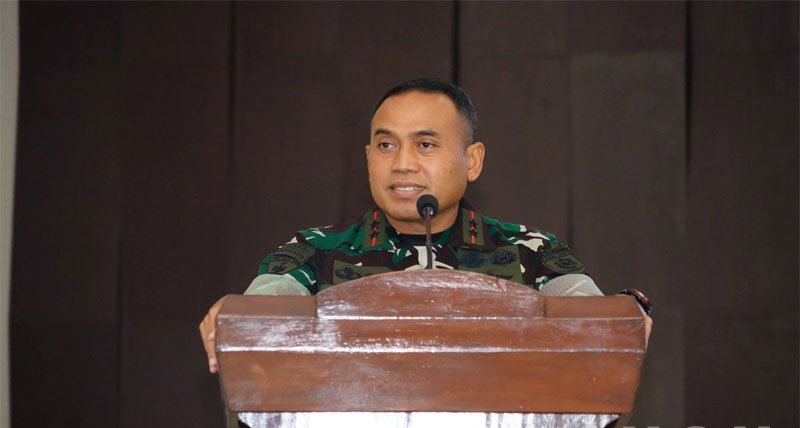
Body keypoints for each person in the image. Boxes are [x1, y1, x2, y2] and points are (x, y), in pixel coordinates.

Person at [199, 78, 653, 374]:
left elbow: (591, 314)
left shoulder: (530, 251)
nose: (402, 164)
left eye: (426, 145)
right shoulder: (317, 250)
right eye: (386, 146)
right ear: (368, 158)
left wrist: (624, 316)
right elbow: (264, 305)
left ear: (472, 161)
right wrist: (237, 314)